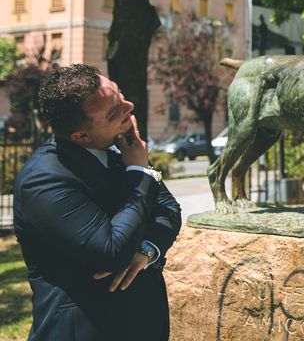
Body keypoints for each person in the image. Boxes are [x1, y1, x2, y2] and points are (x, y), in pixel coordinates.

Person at [13, 64, 181, 340]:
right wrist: (140, 173)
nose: (130, 106)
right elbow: (111, 252)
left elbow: (169, 210)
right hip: (87, 329)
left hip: (144, 322)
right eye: (115, 111)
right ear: (82, 136)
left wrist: (147, 249)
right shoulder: (43, 180)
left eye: (120, 94)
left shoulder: (121, 150)